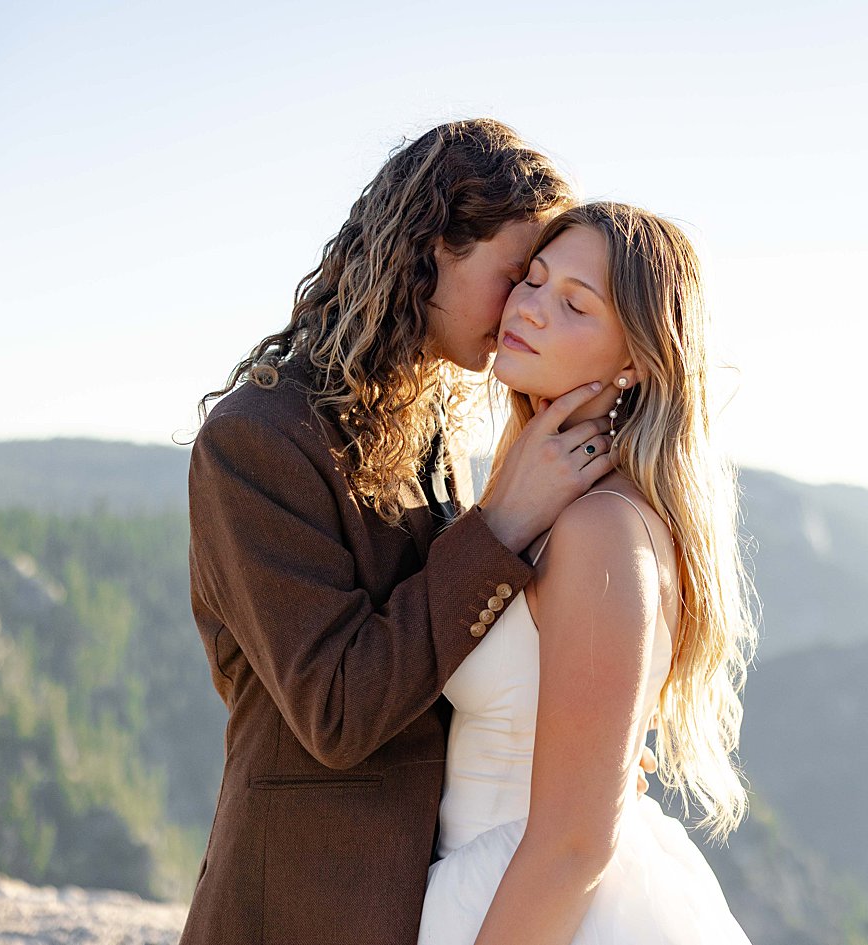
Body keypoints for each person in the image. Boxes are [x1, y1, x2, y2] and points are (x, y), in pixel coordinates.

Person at [184, 119, 615, 944]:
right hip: (301, 909)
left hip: (439, 900)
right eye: (516, 275)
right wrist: (504, 524)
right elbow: (338, 709)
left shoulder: (432, 436)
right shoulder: (256, 439)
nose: (524, 305)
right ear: (434, 249)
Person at [417, 202, 755, 944]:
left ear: (634, 359)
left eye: (573, 303)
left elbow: (575, 843)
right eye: (532, 281)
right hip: (490, 884)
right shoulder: (541, 503)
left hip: (532, 906)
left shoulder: (599, 528)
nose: (530, 308)